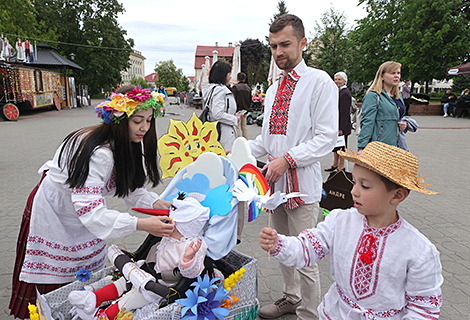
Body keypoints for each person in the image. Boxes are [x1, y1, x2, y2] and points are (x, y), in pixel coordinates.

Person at [9, 85, 174, 319]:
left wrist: (157, 204)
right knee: (55, 274)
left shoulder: (128, 144)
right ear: (119, 119)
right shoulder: (100, 153)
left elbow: (132, 189)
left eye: (148, 120)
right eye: (137, 120)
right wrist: (142, 224)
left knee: (82, 269)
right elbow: (92, 212)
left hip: (83, 210)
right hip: (55, 211)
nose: (144, 128)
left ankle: (80, 308)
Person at [259, 141, 443, 319]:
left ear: (397, 195)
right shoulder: (340, 220)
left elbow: (423, 305)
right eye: (354, 182)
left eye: (365, 186)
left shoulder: (419, 250)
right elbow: (308, 247)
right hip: (336, 312)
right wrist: (280, 244)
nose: (354, 191)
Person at [248, 14, 338, 319]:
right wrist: (235, 151)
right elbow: (268, 140)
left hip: (302, 188)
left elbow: (327, 138)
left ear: (303, 43)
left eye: (285, 44)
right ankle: (290, 297)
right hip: (276, 189)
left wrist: (287, 160)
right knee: (281, 249)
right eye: (273, 46)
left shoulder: (319, 82)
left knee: (306, 255)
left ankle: (310, 313)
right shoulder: (273, 89)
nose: (278, 52)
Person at [68, 195, 210, 320]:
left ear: (185, 227)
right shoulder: (169, 235)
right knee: (121, 283)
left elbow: (192, 273)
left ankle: (102, 316)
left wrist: (188, 259)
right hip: (146, 270)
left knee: (129, 300)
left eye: (172, 221)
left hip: (160, 285)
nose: (167, 224)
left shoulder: (194, 246)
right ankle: (93, 298)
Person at [357, 61, 407, 151]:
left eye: (398, 73)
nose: (397, 76)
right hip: (378, 147)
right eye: (392, 73)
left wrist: (404, 125)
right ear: (382, 76)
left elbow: (397, 118)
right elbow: (367, 122)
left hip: (396, 146)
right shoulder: (373, 96)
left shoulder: (398, 96)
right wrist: (362, 147)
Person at [202, 60, 242, 150]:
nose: (230, 77)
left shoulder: (212, 90)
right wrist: (234, 118)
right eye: (229, 74)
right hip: (223, 136)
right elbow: (217, 114)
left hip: (218, 133)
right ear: (223, 75)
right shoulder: (220, 90)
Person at [325, 71, 352, 173]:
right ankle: (335, 164)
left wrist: (341, 128)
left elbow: (344, 112)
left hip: (342, 125)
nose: (336, 81)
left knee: (341, 147)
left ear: (344, 81)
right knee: (336, 146)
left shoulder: (345, 93)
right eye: (335, 79)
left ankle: (341, 166)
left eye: (339, 79)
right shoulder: (338, 91)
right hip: (336, 124)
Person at [231, 72, 251, 139]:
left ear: (237, 79)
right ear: (244, 79)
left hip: (237, 110)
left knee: (237, 127)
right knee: (244, 127)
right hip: (245, 110)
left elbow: (233, 100)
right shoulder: (248, 88)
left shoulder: (235, 88)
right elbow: (250, 100)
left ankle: (239, 141)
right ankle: (246, 141)